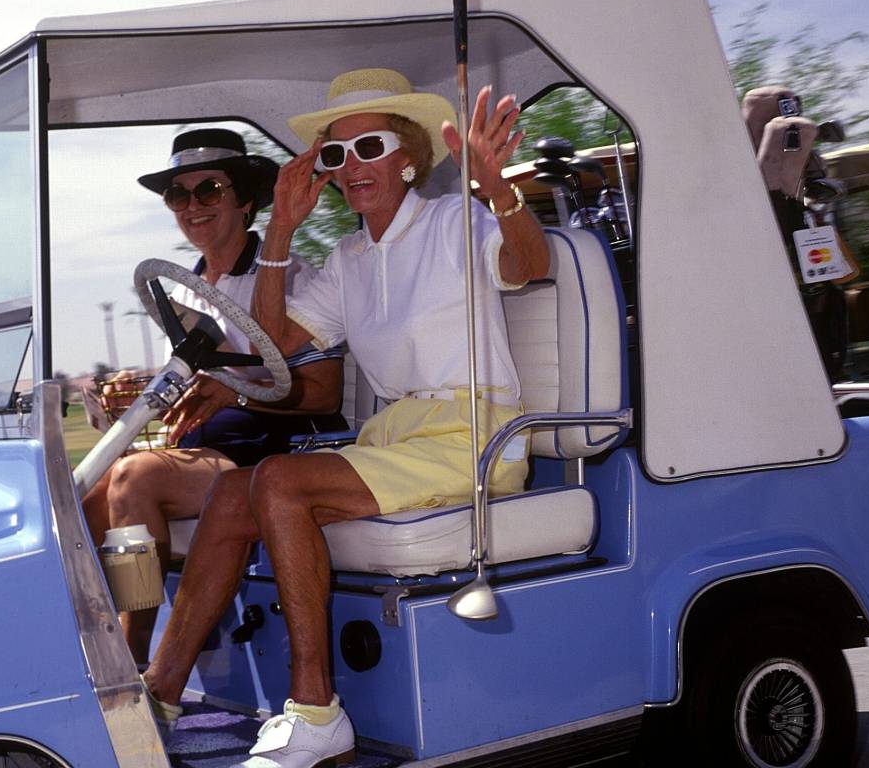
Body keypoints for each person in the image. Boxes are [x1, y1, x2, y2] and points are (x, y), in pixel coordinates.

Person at [140, 69, 552, 767]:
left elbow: (528, 262)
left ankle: (315, 709)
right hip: (398, 434)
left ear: (410, 156)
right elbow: (273, 343)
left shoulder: (457, 219)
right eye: (336, 155)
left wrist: (501, 191)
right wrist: (280, 234)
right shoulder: (348, 258)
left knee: (275, 480)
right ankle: (160, 695)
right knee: (236, 491)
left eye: (371, 148)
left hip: (475, 437)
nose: (352, 167)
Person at [79, 128, 348, 667]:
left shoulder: (290, 279)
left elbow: (323, 395)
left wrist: (235, 397)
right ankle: (95, 641)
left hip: (279, 449)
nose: (192, 206)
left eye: (209, 190)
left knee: (135, 478)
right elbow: (200, 385)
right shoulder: (183, 292)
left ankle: (133, 661)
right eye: (179, 196)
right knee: (83, 496)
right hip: (214, 450)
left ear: (245, 200)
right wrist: (135, 391)